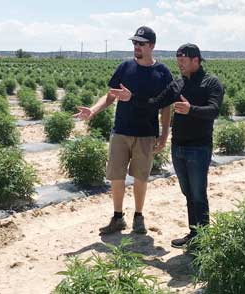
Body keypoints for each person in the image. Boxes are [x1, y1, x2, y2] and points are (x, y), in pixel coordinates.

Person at [109, 43, 224, 248]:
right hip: (178, 146)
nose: (179, 65)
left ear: (195, 60)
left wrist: (191, 110)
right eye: (178, 61)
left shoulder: (211, 83)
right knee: (188, 193)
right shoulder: (178, 84)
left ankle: (204, 238)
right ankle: (194, 233)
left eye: (183, 61)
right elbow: (155, 103)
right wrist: (132, 98)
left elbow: (214, 110)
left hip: (199, 147)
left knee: (198, 193)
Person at [74, 26, 173, 235]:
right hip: (121, 131)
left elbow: (166, 106)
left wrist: (165, 134)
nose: (136, 47)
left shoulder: (162, 73)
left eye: (141, 43)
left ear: (152, 46)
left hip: (146, 133)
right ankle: (117, 217)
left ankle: (139, 216)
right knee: (116, 176)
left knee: (141, 177)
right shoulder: (125, 67)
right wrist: (93, 110)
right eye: (134, 43)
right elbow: (111, 95)